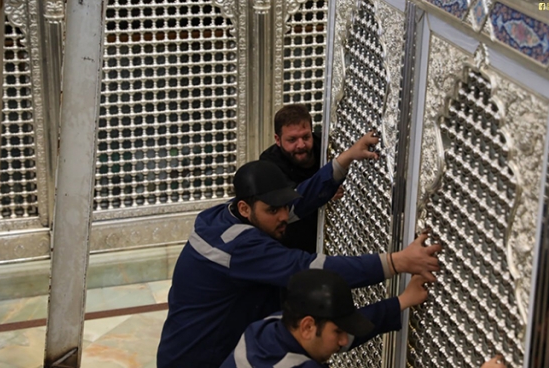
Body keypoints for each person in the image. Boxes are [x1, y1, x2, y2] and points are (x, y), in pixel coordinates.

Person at [156, 132, 442, 368]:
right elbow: (309, 269)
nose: (284, 216)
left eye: (282, 206)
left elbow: (295, 204)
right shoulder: (240, 246)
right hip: (199, 358)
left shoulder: (224, 217)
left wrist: (342, 161)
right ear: (245, 208)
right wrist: (396, 262)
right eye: (273, 210)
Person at [220, 269, 507, 368]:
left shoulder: (267, 328)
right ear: (308, 326)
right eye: (338, 332)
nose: (343, 341)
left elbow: (346, 329)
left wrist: (402, 301)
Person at [259, 104, 338, 253]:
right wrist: (326, 189)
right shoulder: (269, 164)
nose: (301, 145)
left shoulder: (327, 147)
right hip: (292, 244)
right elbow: (292, 201)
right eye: (292, 140)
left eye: (306, 137)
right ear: (278, 140)